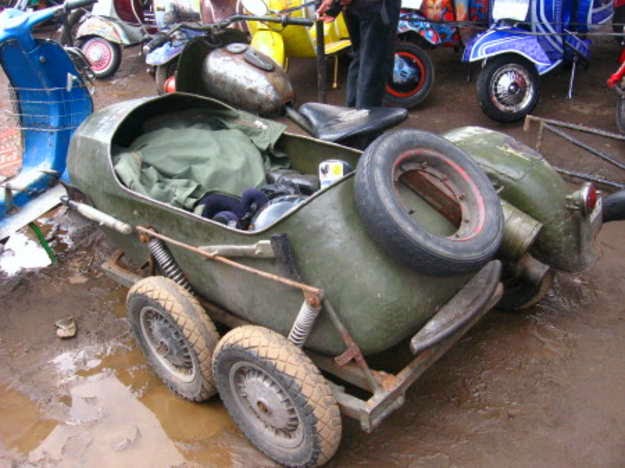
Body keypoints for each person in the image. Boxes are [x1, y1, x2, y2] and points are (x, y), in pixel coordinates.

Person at [316, 0, 400, 108]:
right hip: (375, 9)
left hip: (358, 8)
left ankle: (354, 115)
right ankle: (365, 117)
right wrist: (333, 6)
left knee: (362, 60)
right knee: (372, 67)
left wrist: (334, 5)